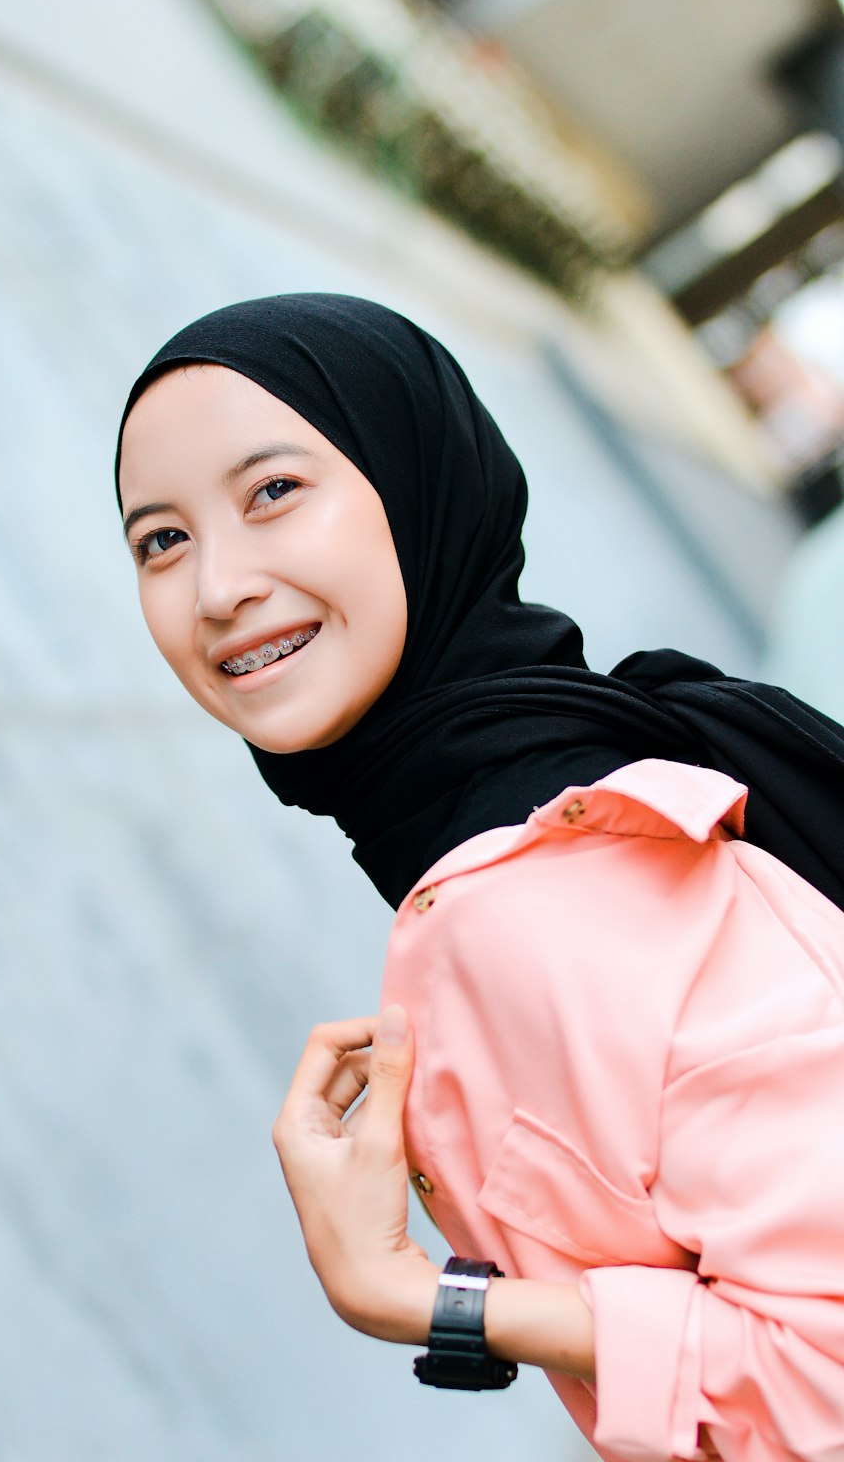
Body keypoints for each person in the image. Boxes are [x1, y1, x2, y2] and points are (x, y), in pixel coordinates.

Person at [115, 293, 844, 1462]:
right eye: (162, 539)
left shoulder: (539, 884)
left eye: (273, 492)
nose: (216, 590)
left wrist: (412, 1295)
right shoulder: (572, 780)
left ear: (417, 488)